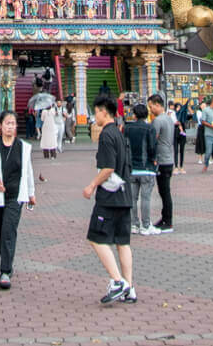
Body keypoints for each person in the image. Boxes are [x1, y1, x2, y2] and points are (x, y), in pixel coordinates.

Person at [83, 95, 136, 304]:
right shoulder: (120, 133)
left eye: (96, 112)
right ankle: (129, 287)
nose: (94, 116)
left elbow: (108, 168)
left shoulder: (106, 135)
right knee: (123, 242)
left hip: (109, 198)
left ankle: (117, 281)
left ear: (104, 112)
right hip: (125, 195)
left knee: (96, 238)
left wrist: (92, 185)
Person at [0, 110, 35, 290]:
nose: (10, 126)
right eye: (7, 123)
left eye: (13, 123)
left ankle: (5, 271)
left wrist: (31, 193)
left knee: (9, 231)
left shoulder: (24, 147)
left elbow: (28, 171)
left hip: (15, 196)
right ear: (0, 125)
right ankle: (7, 261)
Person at [125, 102, 159, 236]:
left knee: (133, 198)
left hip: (131, 168)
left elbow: (125, 146)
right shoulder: (150, 128)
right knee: (146, 198)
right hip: (146, 168)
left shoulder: (127, 128)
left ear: (134, 115)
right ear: (146, 115)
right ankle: (146, 225)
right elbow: (152, 147)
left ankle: (134, 224)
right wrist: (154, 160)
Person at [148, 93, 174, 232]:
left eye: (151, 106)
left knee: (164, 192)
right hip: (169, 158)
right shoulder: (169, 119)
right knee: (165, 192)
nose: (150, 110)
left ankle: (168, 221)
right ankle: (165, 218)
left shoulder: (157, 121)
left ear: (157, 105)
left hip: (162, 160)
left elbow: (153, 139)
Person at [174, 100, 190, 173]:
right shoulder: (173, 115)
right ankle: (176, 167)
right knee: (176, 150)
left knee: (182, 150)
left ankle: (181, 166)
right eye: (177, 107)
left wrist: (188, 108)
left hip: (182, 133)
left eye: (180, 107)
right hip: (175, 133)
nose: (179, 109)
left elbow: (191, 116)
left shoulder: (183, 115)